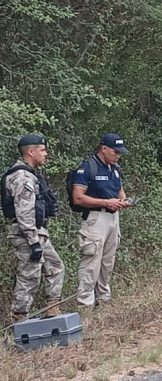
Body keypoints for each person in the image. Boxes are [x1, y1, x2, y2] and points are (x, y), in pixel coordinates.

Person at [4, 135, 64, 321]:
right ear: (31, 152)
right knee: (29, 276)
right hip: (27, 234)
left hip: (38, 232)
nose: (46, 154)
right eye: (42, 150)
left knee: (55, 267)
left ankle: (52, 311)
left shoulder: (31, 174)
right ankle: (20, 320)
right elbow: (24, 213)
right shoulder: (21, 177)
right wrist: (33, 242)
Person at [73, 133, 133, 306]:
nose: (118, 156)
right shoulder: (88, 167)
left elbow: (121, 193)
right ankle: (85, 303)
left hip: (113, 218)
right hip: (95, 218)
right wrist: (106, 202)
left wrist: (124, 202)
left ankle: (104, 299)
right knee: (92, 261)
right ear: (104, 149)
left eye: (120, 153)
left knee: (108, 261)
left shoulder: (115, 169)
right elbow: (78, 197)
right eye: (115, 152)